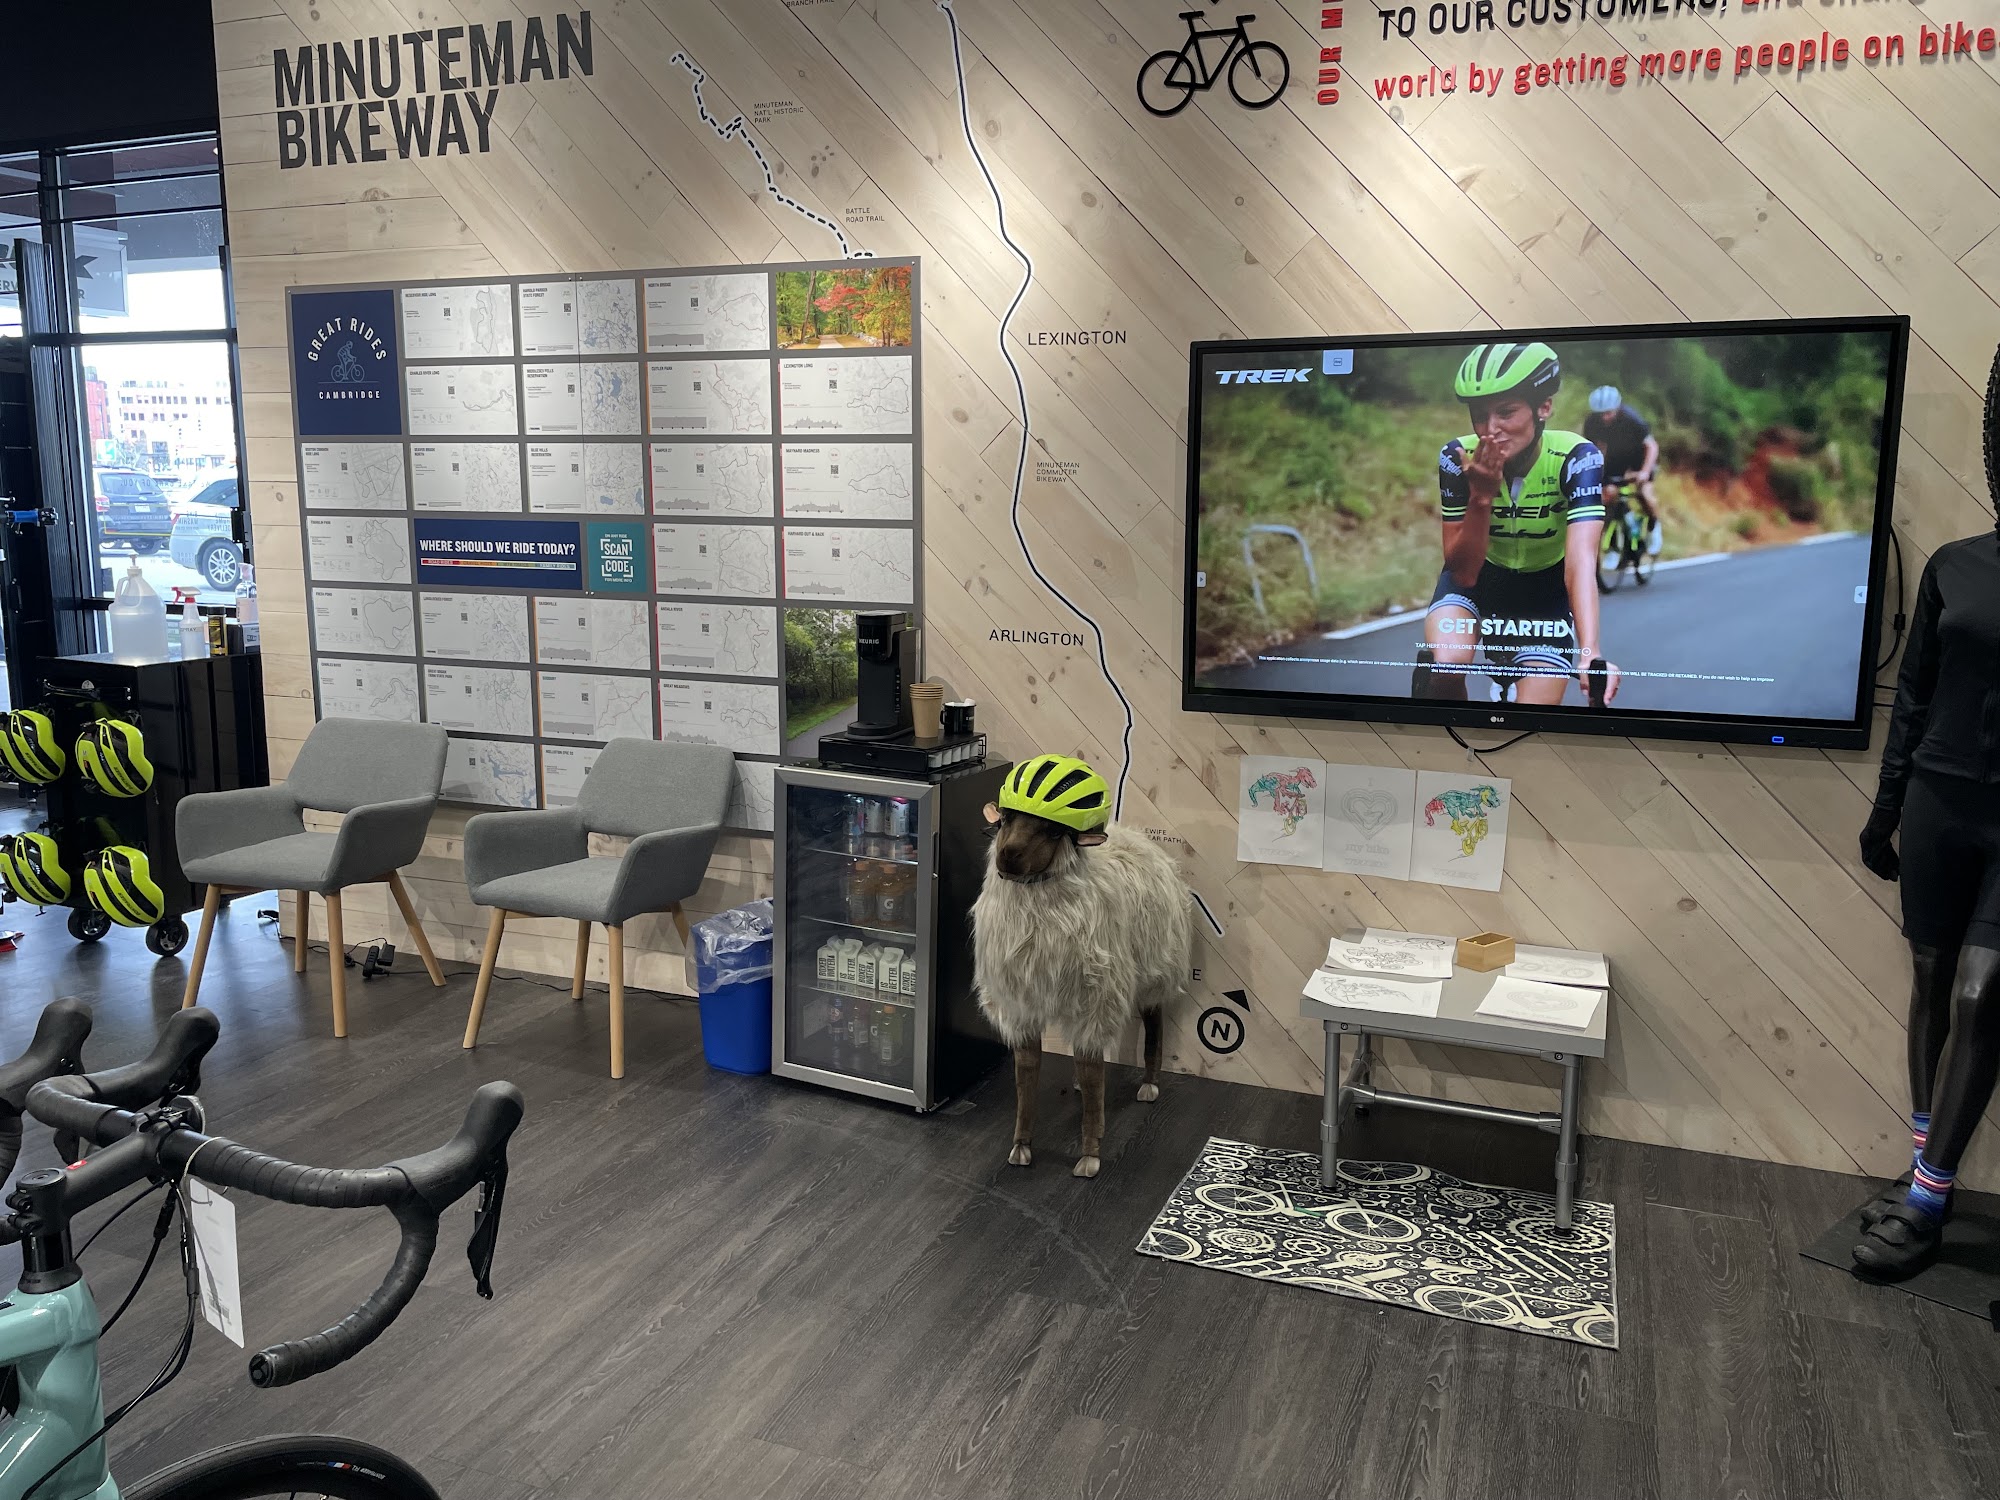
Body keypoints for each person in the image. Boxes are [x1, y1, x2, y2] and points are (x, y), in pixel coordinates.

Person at [1422, 342, 1619, 707]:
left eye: (1506, 412)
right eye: (1479, 415)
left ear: (1544, 407)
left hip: (1544, 592)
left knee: (1534, 712)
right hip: (1480, 580)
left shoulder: (1576, 458)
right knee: (1446, 665)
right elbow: (1463, 572)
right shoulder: (1457, 457)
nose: (1490, 429)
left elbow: (1580, 561)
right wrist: (1481, 498)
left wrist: (1590, 652)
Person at [1582, 385, 1663, 556]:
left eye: (1608, 413)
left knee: (1644, 494)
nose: (1604, 417)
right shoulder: (1592, 422)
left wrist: (1644, 472)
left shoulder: (1631, 419)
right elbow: (1592, 449)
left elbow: (1651, 446)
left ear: (1617, 408)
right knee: (1606, 497)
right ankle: (1613, 543)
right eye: (1600, 414)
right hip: (1616, 460)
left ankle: (1654, 526)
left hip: (1639, 460)